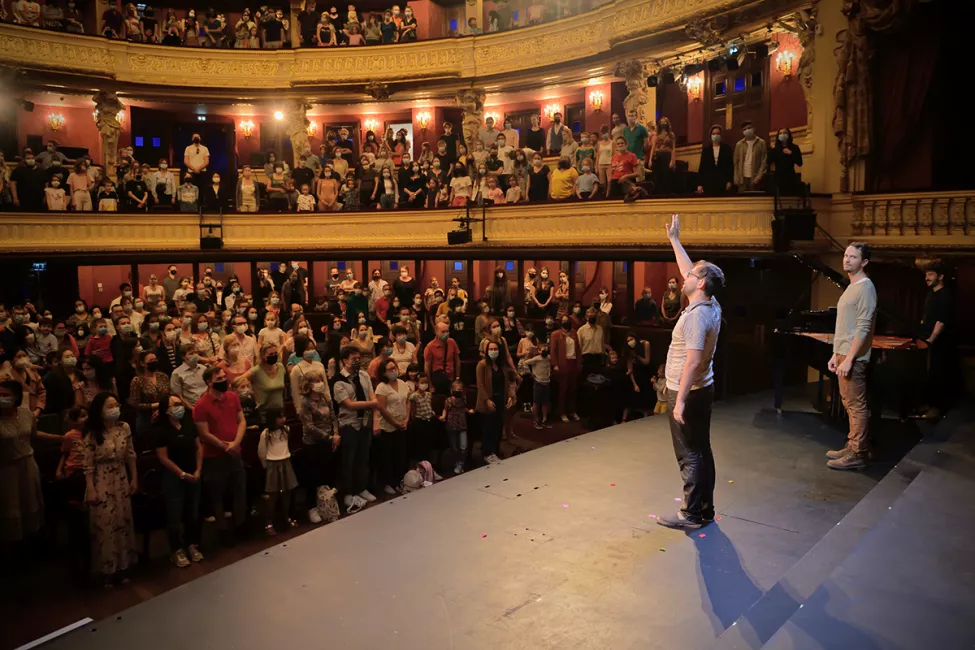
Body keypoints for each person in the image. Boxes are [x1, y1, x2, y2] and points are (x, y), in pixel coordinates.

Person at [656, 213, 724, 530]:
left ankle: (691, 514)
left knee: (689, 454)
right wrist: (675, 240)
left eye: (691, 274)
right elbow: (690, 272)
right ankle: (705, 510)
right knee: (701, 449)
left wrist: (679, 400)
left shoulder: (696, 316)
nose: (683, 276)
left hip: (689, 391)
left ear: (700, 284)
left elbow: (694, 360)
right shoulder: (709, 303)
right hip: (702, 389)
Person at [825, 243, 878, 471]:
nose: (846, 260)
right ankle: (853, 444)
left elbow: (862, 327)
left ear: (864, 262)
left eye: (853, 257)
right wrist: (836, 354)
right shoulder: (852, 286)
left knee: (856, 405)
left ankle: (858, 452)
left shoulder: (866, 288)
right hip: (843, 352)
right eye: (846, 255)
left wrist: (848, 359)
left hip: (853, 356)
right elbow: (844, 326)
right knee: (849, 402)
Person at [83, 392, 138, 583]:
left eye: (116, 405)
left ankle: (123, 566)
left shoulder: (124, 428)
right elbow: (88, 464)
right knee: (105, 525)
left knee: (122, 521)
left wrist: (134, 479)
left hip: (121, 477)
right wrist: (90, 487)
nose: (115, 409)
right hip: (102, 479)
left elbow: (131, 454)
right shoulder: (92, 433)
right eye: (110, 406)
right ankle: (107, 570)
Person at [193, 366, 246, 546]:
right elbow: (204, 434)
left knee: (239, 489)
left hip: (235, 452)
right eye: (219, 379)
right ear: (209, 382)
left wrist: (236, 443)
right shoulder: (201, 405)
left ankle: (240, 526)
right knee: (217, 496)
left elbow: (241, 420)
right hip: (214, 457)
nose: (224, 380)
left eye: (225, 377)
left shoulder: (232, 396)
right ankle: (223, 531)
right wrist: (225, 446)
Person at [154, 394, 203, 568]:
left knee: (193, 512)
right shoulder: (161, 429)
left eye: (180, 403)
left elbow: (198, 448)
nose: (179, 406)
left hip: (193, 472)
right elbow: (163, 457)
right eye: (174, 404)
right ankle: (176, 549)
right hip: (173, 477)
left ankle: (192, 544)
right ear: (166, 409)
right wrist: (181, 474)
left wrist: (197, 470)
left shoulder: (189, 423)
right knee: (175, 514)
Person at [333, 346, 383, 511]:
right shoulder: (338, 380)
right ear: (345, 360)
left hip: (365, 422)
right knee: (349, 460)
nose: (357, 362)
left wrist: (374, 414)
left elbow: (372, 395)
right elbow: (349, 404)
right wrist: (373, 404)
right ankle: (348, 492)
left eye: (358, 358)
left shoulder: (364, 375)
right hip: (349, 424)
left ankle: (361, 488)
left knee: (363, 458)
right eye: (353, 359)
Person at [0, 380, 46, 545]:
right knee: (11, 507)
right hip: (7, 470)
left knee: (30, 502)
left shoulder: (26, 414)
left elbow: (34, 435)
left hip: (28, 465)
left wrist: (61, 438)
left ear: (17, 396)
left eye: (6, 395)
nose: (2, 398)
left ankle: (31, 547)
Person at [919, 263, 956, 419]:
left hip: (940, 342)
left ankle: (936, 409)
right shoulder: (931, 294)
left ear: (940, 277)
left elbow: (941, 320)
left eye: (931, 275)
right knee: (928, 374)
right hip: (927, 339)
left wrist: (931, 339)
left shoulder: (945, 295)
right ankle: (928, 405)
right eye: (926, 275)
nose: (927, 278)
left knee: (937, 373)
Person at [258, 407, 298, 535]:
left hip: (285, 462)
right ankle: (268, 522)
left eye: (284, 417)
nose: (283, 419)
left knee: (287, 492)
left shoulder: (286, 430)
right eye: (280, 417)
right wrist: (267, 466)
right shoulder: (266, 434)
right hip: (273, 464)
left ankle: (286, 517)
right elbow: (261, 452)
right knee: (273, 495)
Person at [374, 359, 410, 495]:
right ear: (384, 372)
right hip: (387, 426)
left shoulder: (403, 384)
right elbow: (382, 409)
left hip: (402, 424)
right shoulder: (381, 387)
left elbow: (407, 402)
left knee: (400, 455)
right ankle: (386, 483)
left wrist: (406, 419)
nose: (393, 371)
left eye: (394, 368)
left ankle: (399, 480)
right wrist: (395, 422)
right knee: (387, 456)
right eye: (390, 369)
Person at [476, 340, 512, 464]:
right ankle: (487, 452)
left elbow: (506, 382)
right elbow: (480, 385)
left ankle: (495, 451)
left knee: (498, 426)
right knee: (488, 428)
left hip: (500, 398)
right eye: (490, 349)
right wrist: (487, 400)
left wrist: (509, 396)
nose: (493, 352)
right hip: (488, 400)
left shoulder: (502, 365)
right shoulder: (482, 365)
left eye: (495, 349)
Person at [549, 314, 581, 422]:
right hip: (562, 364)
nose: (565, 322)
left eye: (567, 320)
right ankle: (562, 412)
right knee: (563, 390)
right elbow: (553, 351)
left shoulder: (574, 333)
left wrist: (579, 363)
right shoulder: (556, 334)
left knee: (573, 389)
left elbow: (578, 349)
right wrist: (555, 364)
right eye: (563, 321)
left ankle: (572, 411)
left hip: (573, 362)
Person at [440, 378, 472, 474]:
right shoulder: (448, 401)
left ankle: (460, 464)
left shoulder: (464, 399)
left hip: (462, 425)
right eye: (456, 389)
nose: (458, 391)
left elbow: (464, 407)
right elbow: (445, 410)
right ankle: (456, 463)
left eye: (459, 389)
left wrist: (468, 411)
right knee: (453, 447)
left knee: (463, 446)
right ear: (451, 390)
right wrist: (443, 416)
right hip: (451, 425)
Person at [424, 321, 461, 395]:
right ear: (436, 332)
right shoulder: (430, 346)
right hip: (438, 379)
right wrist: (430, 385)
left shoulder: (452, 342)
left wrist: (457, 378)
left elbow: (457, 361)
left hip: (451, 378)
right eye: (443, 332)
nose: (446, 334)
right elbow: (427, 367)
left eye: (447, 331)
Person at [696, 125, 734, 195]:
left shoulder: (726, 149)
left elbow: (730, 166)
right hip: (709, 182)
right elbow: (702, 167)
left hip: (723, 182)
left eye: (718, 133)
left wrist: (729, 181)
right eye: (713, 134)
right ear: (710, 136)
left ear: (721, 135)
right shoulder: (706, 150)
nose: (716, 135)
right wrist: (700, 184)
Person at [524, 342, 553, 429]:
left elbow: (549, 365)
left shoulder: (548, 357)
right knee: (536, 402)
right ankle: (536, 421)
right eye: (542, 349)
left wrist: (549, 371)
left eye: (546, 348)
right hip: (538, 382)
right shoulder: (536, 359)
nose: (544, 350)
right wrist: (531, 372)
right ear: (539, 351)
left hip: (546, 382)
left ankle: (544, 420)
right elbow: (525, 363)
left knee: (545, 402)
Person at [767, 127, 803, 196]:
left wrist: (791, 153)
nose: (782, 135)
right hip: (778, 178)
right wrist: (772, 150)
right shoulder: (776, 148)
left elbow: (800, 162)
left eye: (785, 133)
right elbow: (768, 161)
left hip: (790, 177)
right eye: (780, 133)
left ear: (789, 135)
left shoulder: (794, 147)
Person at [733, 121, 767, 192]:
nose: (747, 130)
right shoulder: (739, 144)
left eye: (749, 128)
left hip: (755, 177)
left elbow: (764, 161)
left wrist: (759, 177)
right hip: (742, 178)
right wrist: (736, 177)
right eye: (744, 129)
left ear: (754, 129)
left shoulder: (761, 143)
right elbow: (736, 162)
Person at [648, 117, 676, 194]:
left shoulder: (671, 135)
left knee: (666, 177)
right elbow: (653, 148)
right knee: (657, 177)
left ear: (667, 123)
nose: (663, 123)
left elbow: (673, 149)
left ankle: (666, 193)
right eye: (661, 122)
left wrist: (672, 161)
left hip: (667, 156)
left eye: (665, 122)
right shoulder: (657, 135)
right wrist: (650, 160)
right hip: (657, 157)